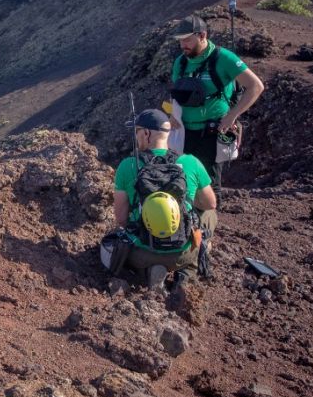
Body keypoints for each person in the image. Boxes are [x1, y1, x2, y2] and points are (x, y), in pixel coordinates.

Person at [108, 109, 217, 289]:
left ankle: (148, 272)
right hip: (183, 251)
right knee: (209, 213)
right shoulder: (191, 162)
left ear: (146, 133)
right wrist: (186, 203)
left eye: (137, 132)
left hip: (141, 253)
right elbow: (210, 203)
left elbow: (121, 218)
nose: (136, 137)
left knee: (128, 238)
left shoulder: (127, 166)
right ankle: (186, 273)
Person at [169, 15, 264, 195]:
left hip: (212, 132)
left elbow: (256, 86)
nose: (183, 45)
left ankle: (207, 222)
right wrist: (173, 114)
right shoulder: (180, 62)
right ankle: (190, 220)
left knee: (208, 184)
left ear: (202, 35)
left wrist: (231, 116)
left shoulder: (223, 58)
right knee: (183, 181)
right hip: (184, 133)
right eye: (180, 41)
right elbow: (177, 92)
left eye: (187, 40)